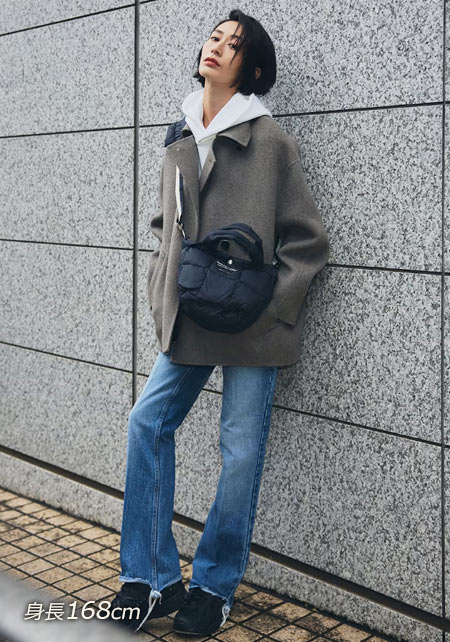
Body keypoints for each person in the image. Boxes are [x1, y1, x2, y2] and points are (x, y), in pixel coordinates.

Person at [106, 8, 329, 637]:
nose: (218, 48)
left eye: (234, 45)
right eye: (214, 37)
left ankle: (212, 586)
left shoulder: (271, 141)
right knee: (147, 423)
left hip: (255, 325)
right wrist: (162, 289)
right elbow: (164, 226)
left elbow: (308, 241)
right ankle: (151, 579)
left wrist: (276, 308)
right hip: (192, 313)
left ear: (252, 68)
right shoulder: (180, 132)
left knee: (239, 452)